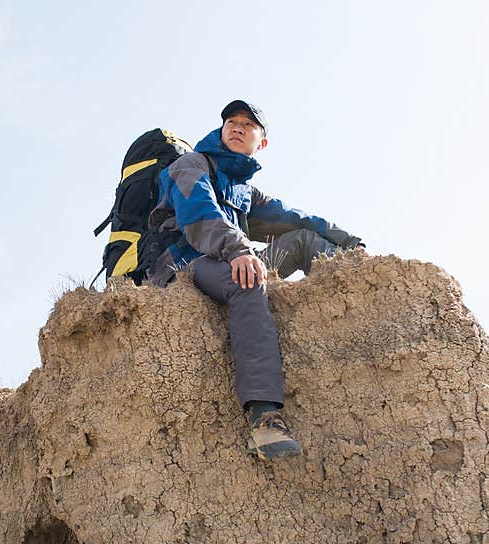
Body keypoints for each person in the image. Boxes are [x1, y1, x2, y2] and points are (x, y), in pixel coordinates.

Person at [148, 100, 364, 460]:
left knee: (305, 240)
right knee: (246, 281)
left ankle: (358, 307)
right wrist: (238, 251)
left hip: (227, 257)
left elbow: (292, 218)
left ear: (261, 142)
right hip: (184, 264)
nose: (236, 127)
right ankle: (264, 419)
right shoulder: (190, 166)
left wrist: (348, 241)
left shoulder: (243, 190)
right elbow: (201, 217)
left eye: (247, 125)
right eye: (231, 122)